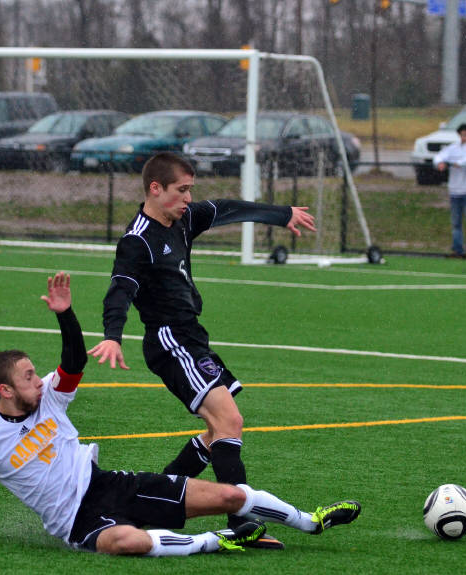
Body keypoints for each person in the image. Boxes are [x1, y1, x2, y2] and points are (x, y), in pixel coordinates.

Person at [0, 272, 361, 556]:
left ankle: (310, 522)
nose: (37, 381)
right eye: (27, 377)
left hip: (112, 486)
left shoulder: (49, 399)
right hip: (77, 522)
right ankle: (219, 541)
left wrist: (65, 315)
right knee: (126, 541)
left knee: (230, 496)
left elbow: (73, 362)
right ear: (4, 391)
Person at [88, 152, 317, 548]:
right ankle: (242, 525)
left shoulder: (183, 219)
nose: (188, 198)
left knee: (216, 434)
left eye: (190, 189)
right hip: (169, 340)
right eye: (181, 190)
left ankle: (150, 506)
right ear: (155, 189)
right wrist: (113, 335)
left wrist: (281, 214)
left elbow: (226, 208)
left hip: (192, 337)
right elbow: (120, 289)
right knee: (230, 420)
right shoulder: (137, 240)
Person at [434, 123, 466, 260]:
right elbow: (439, 156)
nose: (464, 137)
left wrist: (461, 162)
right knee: (456, 224)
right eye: (462, 134)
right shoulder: (453, 148)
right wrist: (440, 163)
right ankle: (457, 250)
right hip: (455, 191)